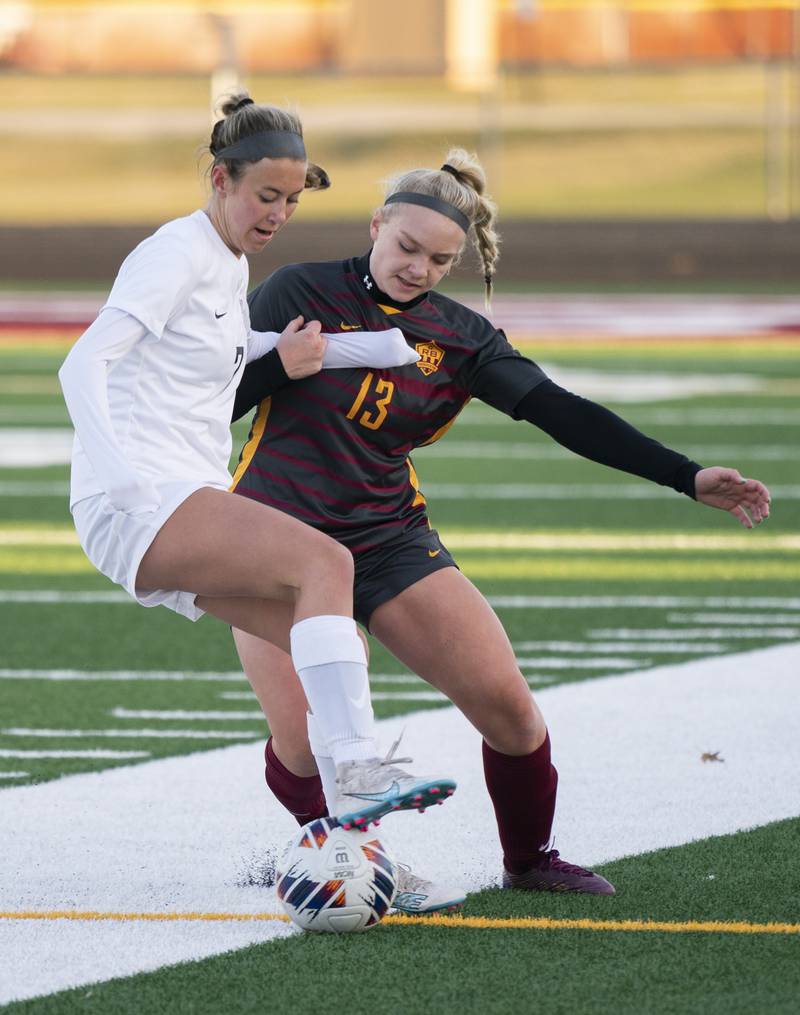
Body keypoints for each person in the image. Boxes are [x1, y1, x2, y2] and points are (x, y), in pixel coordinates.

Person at [229, 147, 771, 910]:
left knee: (511, 712)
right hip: (271, 542)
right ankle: (343, 853)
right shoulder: (299, 289)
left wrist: (686, 475)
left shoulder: (463, 339)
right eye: (407, 247)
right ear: (377, 223)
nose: (418, 268)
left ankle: (530, 858)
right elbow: (204, 397)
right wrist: (278, 366)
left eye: (440, 259)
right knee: (308, 740)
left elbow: (562, 411)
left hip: (385, 537)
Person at [57, 92, 457, 834]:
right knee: (326, 564)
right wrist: (117, 473)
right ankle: (364, 767)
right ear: (219, 180)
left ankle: (352, 845)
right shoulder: (175, 253)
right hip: (142, 498)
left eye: (292, 200)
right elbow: (81, 365)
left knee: (330, 633)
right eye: (264, 195)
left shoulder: (227, 263)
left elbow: (221, 350)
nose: (277, 213)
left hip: (177, 493)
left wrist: (366, 348)